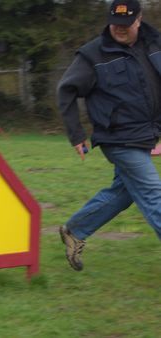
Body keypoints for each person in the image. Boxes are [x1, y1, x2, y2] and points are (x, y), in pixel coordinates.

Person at [57, 0, 161, 271]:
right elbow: (66, 90)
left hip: (146, 134)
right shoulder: (93, 54)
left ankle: (75, 229)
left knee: (124, 193)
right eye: (115, 23)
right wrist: (76, 134)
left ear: (139, 19)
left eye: (126, 24)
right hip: (117, 138)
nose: (120, 29)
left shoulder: (154, 45)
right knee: (153, 195)